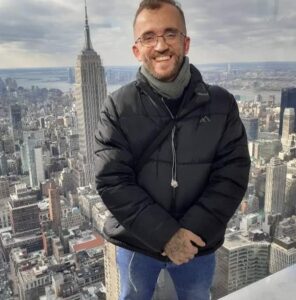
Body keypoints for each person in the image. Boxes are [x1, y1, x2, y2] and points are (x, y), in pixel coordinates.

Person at [94, 0, 250, 299]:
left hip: (197, 242)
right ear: (136, 50)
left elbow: (232, 174)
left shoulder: (221, 104)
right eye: (149, 37)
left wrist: (189, 234)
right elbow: (112, 180)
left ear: (186, 42)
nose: (161, 45)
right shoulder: (117, 106)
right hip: (137, 241)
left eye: (170, 33)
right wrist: (166, 235)